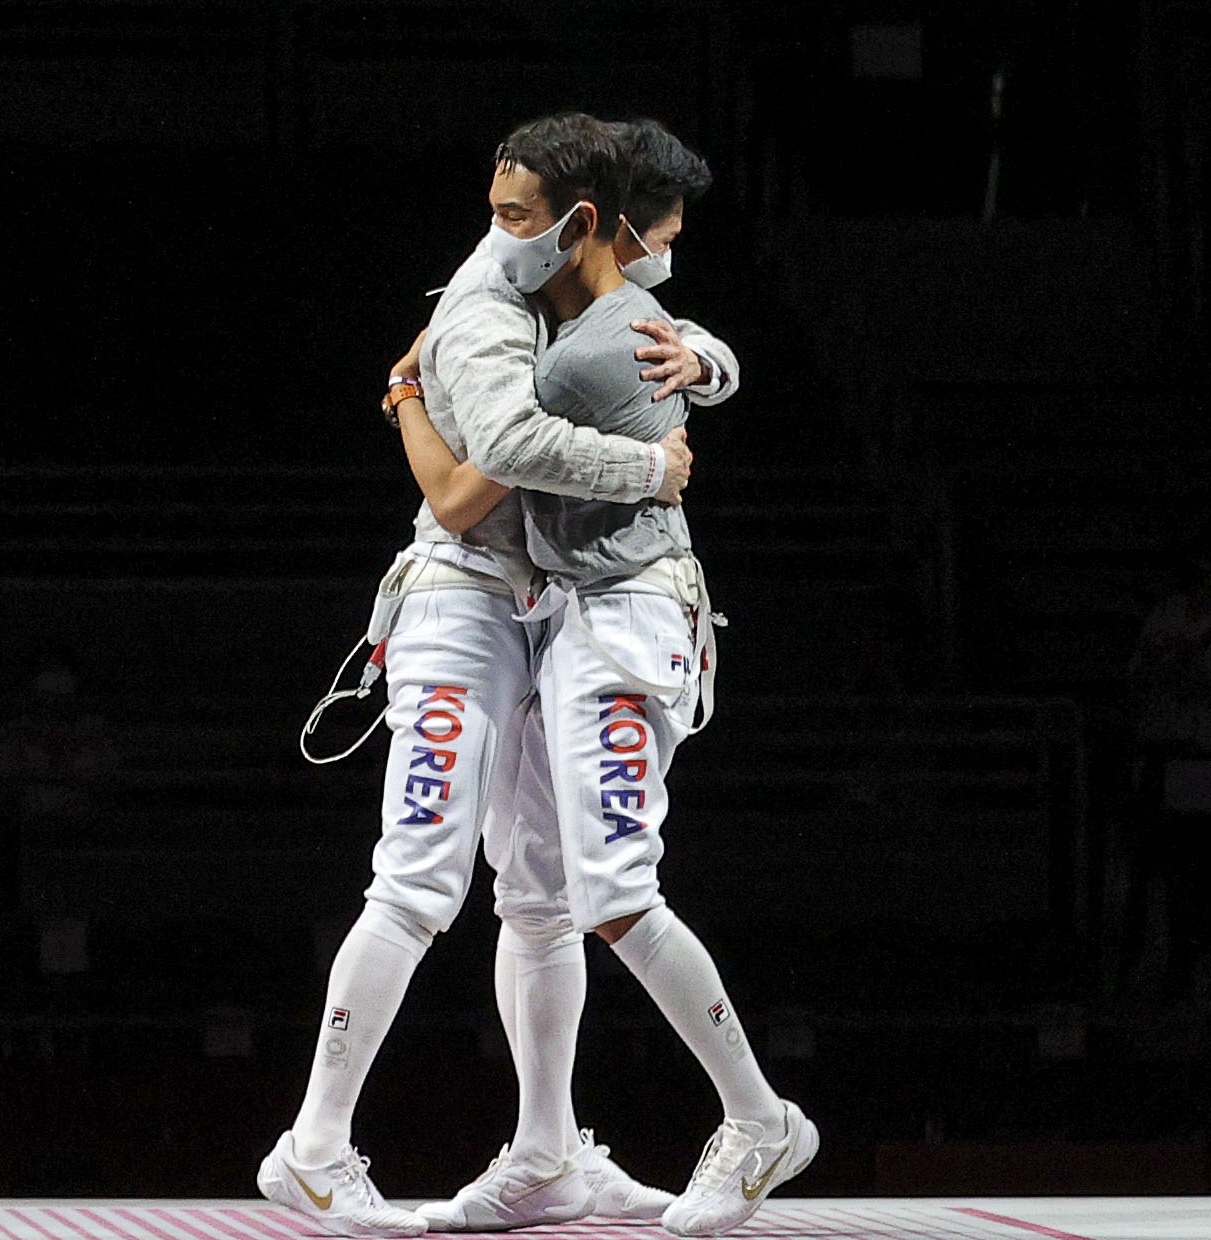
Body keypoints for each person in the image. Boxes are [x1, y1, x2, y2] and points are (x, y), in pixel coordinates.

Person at [268, 119, 733, 1230]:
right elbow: (483, 478)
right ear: (605, 225)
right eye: (498, 209)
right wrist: (650, 465)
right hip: (458, 600)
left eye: (517, 211)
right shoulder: (483, 302)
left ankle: (547, 1149)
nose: (497, 230)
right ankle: (314, 1143)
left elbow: (660, 336)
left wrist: (708, 361)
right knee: (419, 877)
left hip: (550, 610)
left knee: (542, 897)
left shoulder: (576, 282)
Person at [379, 123, 811, 1238]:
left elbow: (483, 475)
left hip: (624, 617)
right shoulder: (581, 318)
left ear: (583, 223)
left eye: (519, 214)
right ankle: (542, 1152)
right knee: (534, 891)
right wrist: (707, 364)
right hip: (566, 615)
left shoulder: (582, 349)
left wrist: (413, 399)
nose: (669, 250)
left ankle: (760, 1118)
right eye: (661, 231)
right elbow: (681, 347)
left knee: (614, 887)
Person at [1127, 554, 1211, 757]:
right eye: (1193, 572)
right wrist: (1157, 674)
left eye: (1205, 573)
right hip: (1161, 739)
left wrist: (1204, 682)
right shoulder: (1163, 614)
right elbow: (1136, 674)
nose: (1197, 581)